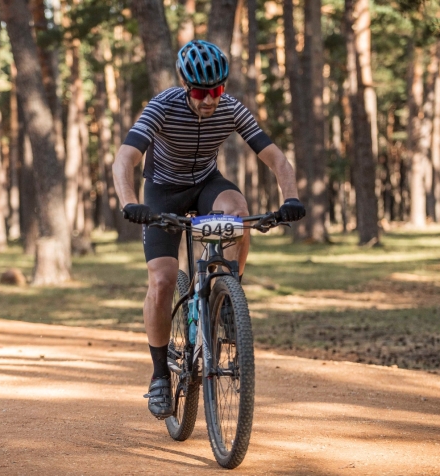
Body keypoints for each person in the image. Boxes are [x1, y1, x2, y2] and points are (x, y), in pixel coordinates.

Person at [113, 40, 306, 419]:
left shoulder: (231, 109)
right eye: (201, 92)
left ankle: (229, 293)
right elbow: (125, 159)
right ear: (186, 86)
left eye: (216, 90)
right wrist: (129, 202)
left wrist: (292, 199)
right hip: (162, 191)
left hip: (205, 184)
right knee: (164, 279)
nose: (209, 100)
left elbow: (276, 157)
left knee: (238, 211)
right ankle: (158, 377)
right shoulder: (163, 106)